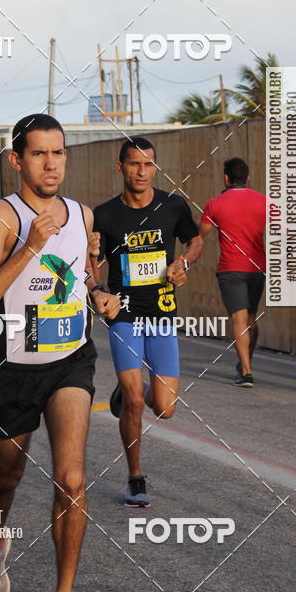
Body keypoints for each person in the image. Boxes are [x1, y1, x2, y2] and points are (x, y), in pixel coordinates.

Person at [0, 114, 120, 592]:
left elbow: (80, 273)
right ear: (17, 160)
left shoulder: (82, 214)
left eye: (58, 153)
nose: (51, 164)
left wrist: (97, 293)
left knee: (72, 478)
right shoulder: (0, 218)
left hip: (70, 361)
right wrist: (29, 246)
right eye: (39, 154)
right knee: (6, 476)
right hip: (10, 369)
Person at [91, 137, 203, 508]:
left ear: (155, 167)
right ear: (120, 167)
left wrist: (183, 262)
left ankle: (125, 393)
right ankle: (135, 478)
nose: (142, 171)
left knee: (165, 407)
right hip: (124, 313)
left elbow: (196, 240)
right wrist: (99, 289)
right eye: (134, 164)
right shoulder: (104, 215)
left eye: (149, 164)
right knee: (138, 401)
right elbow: (90, 261)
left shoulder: (172, 205)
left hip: (162, 315)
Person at [199, 158, 266, 388]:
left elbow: (200, 236)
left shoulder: (214, 204)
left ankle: (246, 372)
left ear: (226, 178)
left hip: (231, 268)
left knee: (238, 319)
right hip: (258, 268)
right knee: (250, 319)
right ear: (247, 178)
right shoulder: (265, 202)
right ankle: (246, 363)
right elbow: (283, 233)